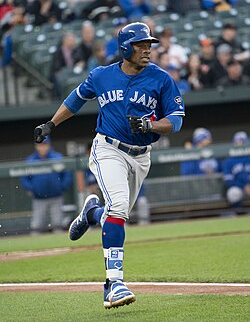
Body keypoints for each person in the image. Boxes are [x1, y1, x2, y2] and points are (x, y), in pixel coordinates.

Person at [33, 22, 185, 308]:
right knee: (118, 209)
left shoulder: (162, 78)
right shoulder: (101, 76)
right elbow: (76, 99)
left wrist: (151, 125)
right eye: (141, 44)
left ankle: (91, 214)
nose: (147, 49)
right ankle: (113, 283)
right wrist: (51, 123)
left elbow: (176, 119)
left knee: (115, 211)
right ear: (125, 47)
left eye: (149, 44)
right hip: (108, 149)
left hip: (141, 156)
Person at [20, 136, 72, 234]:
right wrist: (33, 189)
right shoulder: (30, 160)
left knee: (58, 225)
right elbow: (24, 178)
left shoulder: (57, 157)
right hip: (39, 198)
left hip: (56, 197)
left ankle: (61, 248)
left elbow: (67, 175)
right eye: (40, 145)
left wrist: (61, 187)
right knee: (36, 226)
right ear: (36, 146)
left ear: (49, 145)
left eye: (45, 144)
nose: (42, 147)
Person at [222, 131, 250, 214]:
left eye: (242, 141)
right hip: (239, 188)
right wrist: (243, 186)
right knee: (233, 193)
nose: (240, 144)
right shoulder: (229, 160)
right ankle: (239, 214)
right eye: (238, 142)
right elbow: (228, 180)